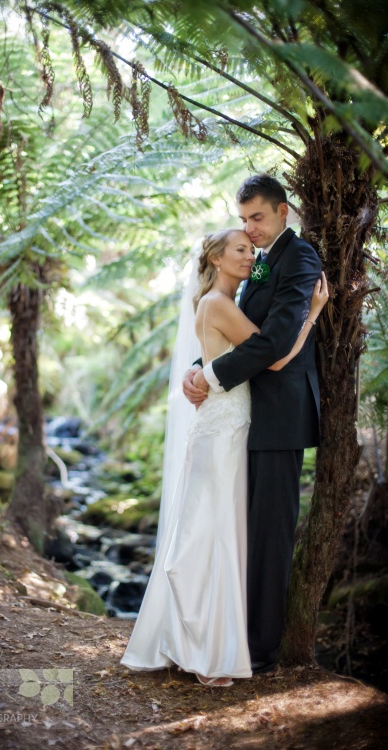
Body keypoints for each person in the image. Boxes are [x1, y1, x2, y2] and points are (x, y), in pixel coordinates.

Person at [121, 227, 328, 686]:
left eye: (252, 250)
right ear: (215, 258)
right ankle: (203, 648)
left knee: (216, 532)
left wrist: (202, 372)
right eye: (240, 248)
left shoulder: (227, 302)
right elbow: (274, 357)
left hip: (230, 427)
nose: (250, 254)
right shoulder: (218, 304)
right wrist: (311, 315)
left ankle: (191, 641)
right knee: (210, 533)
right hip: (225, 429)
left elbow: (223, 356)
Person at [184, 175, 323, 673]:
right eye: (243, 220)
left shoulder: (301, 258)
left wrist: (212, 376)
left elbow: (274, 344)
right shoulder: (259, 263)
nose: (250, 228)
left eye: (257, 217)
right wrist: (201, 369)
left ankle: (261, 651)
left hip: (280, 416)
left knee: (270, 534)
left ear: (283, 211)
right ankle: (233, 633)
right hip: (245, 415)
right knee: (244, 531)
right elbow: (239, 338)